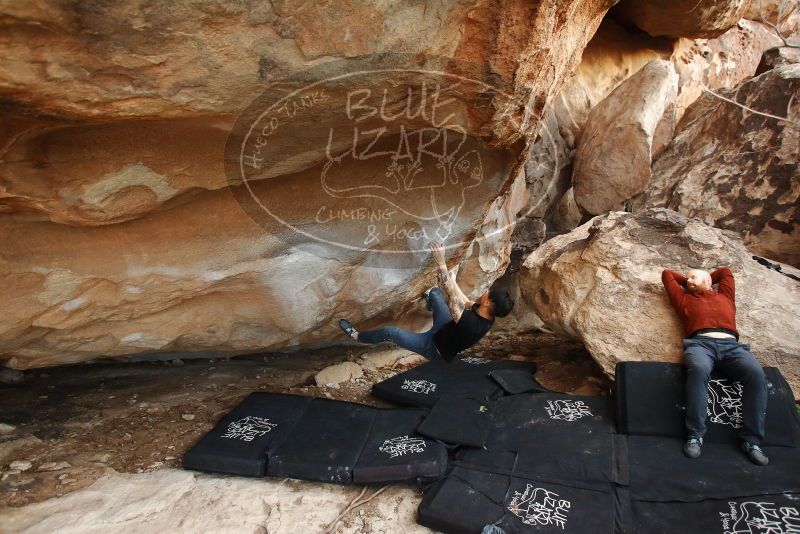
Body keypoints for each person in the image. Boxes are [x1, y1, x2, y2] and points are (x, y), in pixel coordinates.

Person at [661, 266, 769, 465]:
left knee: (756, 374)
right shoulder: (684, 298)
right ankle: (695, 435)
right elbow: (667, 274)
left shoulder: (726, 296)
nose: (689, 281)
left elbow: (726, 272)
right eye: (687, 279)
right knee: (699, 369)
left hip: (732, 347)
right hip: (700, 344)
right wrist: (689, 281)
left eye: (693, 277)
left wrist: (704, 277)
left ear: (709, 281)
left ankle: (752, 441)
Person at [338, 242, 514, 362]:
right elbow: (466, 301)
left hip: (433, 347)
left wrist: (441, 263)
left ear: (488, 303)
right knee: (436, 294)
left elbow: (452, 297)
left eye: (488, 292)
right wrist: (452, 280)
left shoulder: (472, 325)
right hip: (445, 327)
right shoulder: (488, 314)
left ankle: (358, 337)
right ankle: (429, 303)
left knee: (390, 332)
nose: (486, 291)